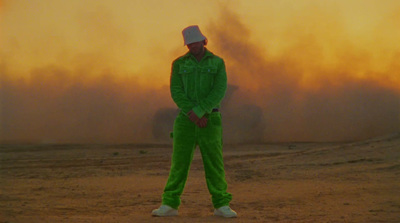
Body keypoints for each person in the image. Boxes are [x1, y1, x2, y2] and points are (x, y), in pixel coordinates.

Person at [152, 25, 237, 218]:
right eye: (189, 43)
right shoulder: (179, 64)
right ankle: (170, 204)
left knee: (214, 164)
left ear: (203, 41)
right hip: (185, 120)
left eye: (195, 42)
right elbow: (176, 91)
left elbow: (219, 90)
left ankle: (221, 205)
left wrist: (200, 111)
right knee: (179, 164)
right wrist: (192, 112)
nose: (192, 46)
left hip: (210, 119)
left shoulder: (217, 63)